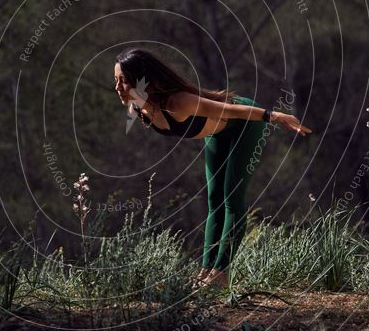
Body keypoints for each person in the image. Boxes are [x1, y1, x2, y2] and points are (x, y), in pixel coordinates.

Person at [114, 48, 312, 291]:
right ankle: (206, 270)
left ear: (142, 80)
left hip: (243, 123)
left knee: (231, 197)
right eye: (116, 80)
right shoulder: (137, 108)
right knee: (214, 199)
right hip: (216, 132)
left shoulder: (178, 102)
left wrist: (274, 115)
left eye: (123, 80)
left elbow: (231, 111)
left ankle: (221, 273)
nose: (117, 87)